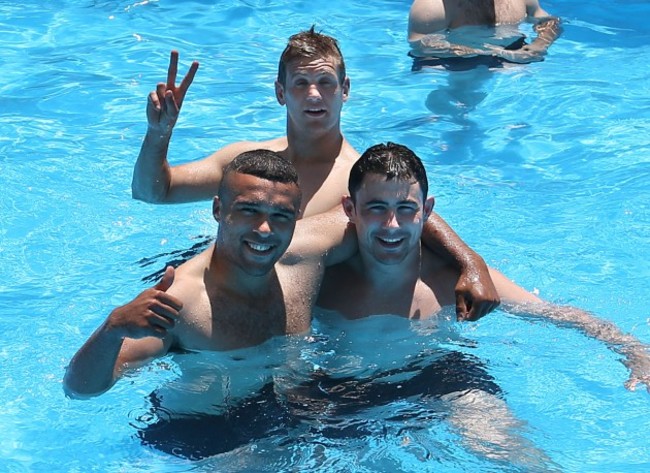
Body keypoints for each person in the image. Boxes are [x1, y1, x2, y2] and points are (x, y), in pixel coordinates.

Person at [130, 26, 500, 321]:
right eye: (301, 83)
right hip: (224, 280)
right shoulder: (246, 163)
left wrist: (471, 263)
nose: (313, 95)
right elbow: (153, 192)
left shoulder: (356, 175)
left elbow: (409, 214)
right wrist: (158, 132)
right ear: (280, 92)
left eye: (325, 83)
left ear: (345, 91)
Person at [316, 142, 650, 393]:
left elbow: (553, 313)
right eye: (376, 207)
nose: (392, 225)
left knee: (501, 444)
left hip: (437, 374)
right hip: (345, 386)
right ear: (350, 208)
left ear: (427, 210)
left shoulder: (453, 278)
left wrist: (632, 349)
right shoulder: (322, 280)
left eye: (406, 208)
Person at [63, 149, 357, 400]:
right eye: (249, 211)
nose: (265, 229)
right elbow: (80, 389)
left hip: (289, 408)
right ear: (218, 209)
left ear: (298, 218)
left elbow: (378, 212)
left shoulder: (308, 256)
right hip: (204, 433)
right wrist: (112, 329)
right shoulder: (182, 302)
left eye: (280, 215)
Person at [408, 0, 562, 68]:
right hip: (452, 66)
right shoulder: (432, 5)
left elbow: (547, 21)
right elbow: (421, 47)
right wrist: (486, 51)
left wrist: (540, 44)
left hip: (511, 58)